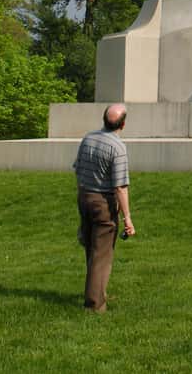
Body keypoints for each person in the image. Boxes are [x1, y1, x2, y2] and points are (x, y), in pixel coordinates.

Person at [73, 103, 135, 313]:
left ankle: (97, 292)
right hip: (103, 203)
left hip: (84, 196)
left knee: (92, 249)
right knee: (102, 254)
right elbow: (120, 187)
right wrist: (127, 218)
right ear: (123, 124)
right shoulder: (118, 147)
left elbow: (77, 169)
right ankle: (94, 305)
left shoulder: (88, 138)